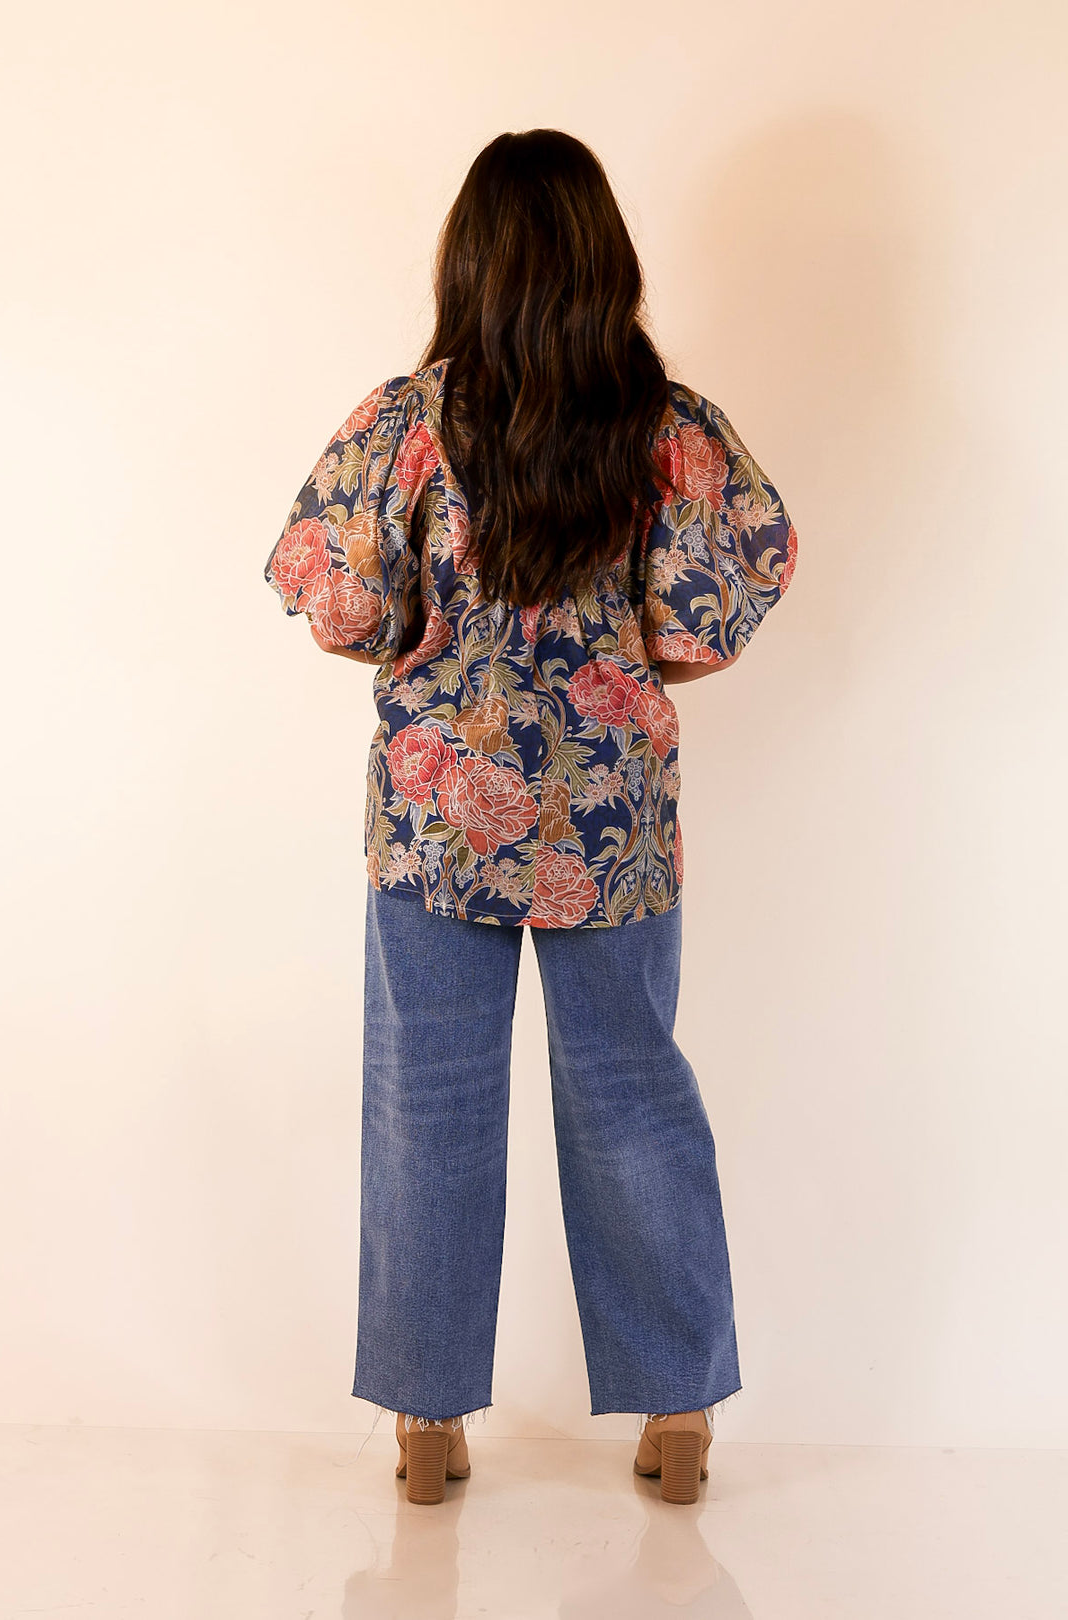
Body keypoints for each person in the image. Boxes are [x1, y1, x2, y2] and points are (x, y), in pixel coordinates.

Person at [264, 129, 798, 1506]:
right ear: (604, 257)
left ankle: (426, 1423)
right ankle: (679, 1411)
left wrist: (436, 652)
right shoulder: (665, 426)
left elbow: (336, 611)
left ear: (472, 261)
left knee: (428, 1098)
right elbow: (710, 626)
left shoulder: (408, 421)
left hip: (438, 820)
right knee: (632, 1089)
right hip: (612, 821)